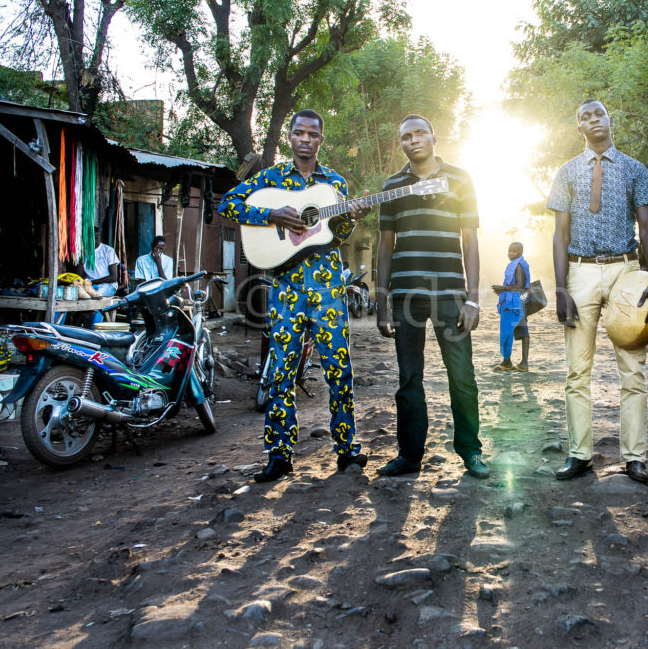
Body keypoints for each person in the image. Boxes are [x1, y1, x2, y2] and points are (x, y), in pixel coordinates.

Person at [218, 109, 370, 482]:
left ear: (320, 139)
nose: (305, 139)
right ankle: (279, 455)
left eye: (312, 134)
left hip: (328, 287)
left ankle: (347, 450)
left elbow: (340, 233)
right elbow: (227, 205)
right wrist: (272, 215)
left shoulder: (335, 183)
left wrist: (354, 214)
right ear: (290, 137)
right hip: (286, 289)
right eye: (299, 133)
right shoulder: (270, 179)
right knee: (280, 372)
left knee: (339, 369)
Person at [547, 99, 648, 484]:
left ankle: (634, 457)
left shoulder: (635, 169)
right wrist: (561, 287)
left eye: (598, 113)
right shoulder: (566, 172)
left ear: (610, 120)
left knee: (633, 370)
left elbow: (647, 228)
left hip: (625, 271)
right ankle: (580, 454)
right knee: (576, 371)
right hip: (579, 272)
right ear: (578, 127)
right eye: (584, 116)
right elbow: (560, 234)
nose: (593, 119)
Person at [375, 114, 489, 479]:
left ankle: (470, 451)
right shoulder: (392, 186)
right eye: (406, 136)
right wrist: (381, 302)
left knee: (462, 375)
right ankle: (409, 456)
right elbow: (385, 246)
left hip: (450, 293)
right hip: (405, 295)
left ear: (434, 137)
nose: (413, 140)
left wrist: (473, 298)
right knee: (409, 378)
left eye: (420, 132)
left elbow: (470, 240)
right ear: (401, 144)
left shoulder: (460, 178)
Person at [491, 241, 530, 372]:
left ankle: (510, 362)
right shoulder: (518, 264)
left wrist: (502, 288)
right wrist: (502, 290)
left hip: (516, 303)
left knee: (508, 330)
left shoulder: (518, 266)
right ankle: (518, 362)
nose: (510, 254)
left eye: (514, 251)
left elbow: (518, 287)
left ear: (521, 253)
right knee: (519, 329)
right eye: (509, 250)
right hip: (518, 301)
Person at [83, 227, 120, 326]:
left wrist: (92, 282)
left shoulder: (108, 251)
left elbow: (113, 277)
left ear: (99, 237)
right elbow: (79, 275)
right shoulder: (84, 251)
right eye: (91, 238)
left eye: (96, 238)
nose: (94, 241)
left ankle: (94, 331)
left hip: (108, 285)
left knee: (96, 302)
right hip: (89, 285)